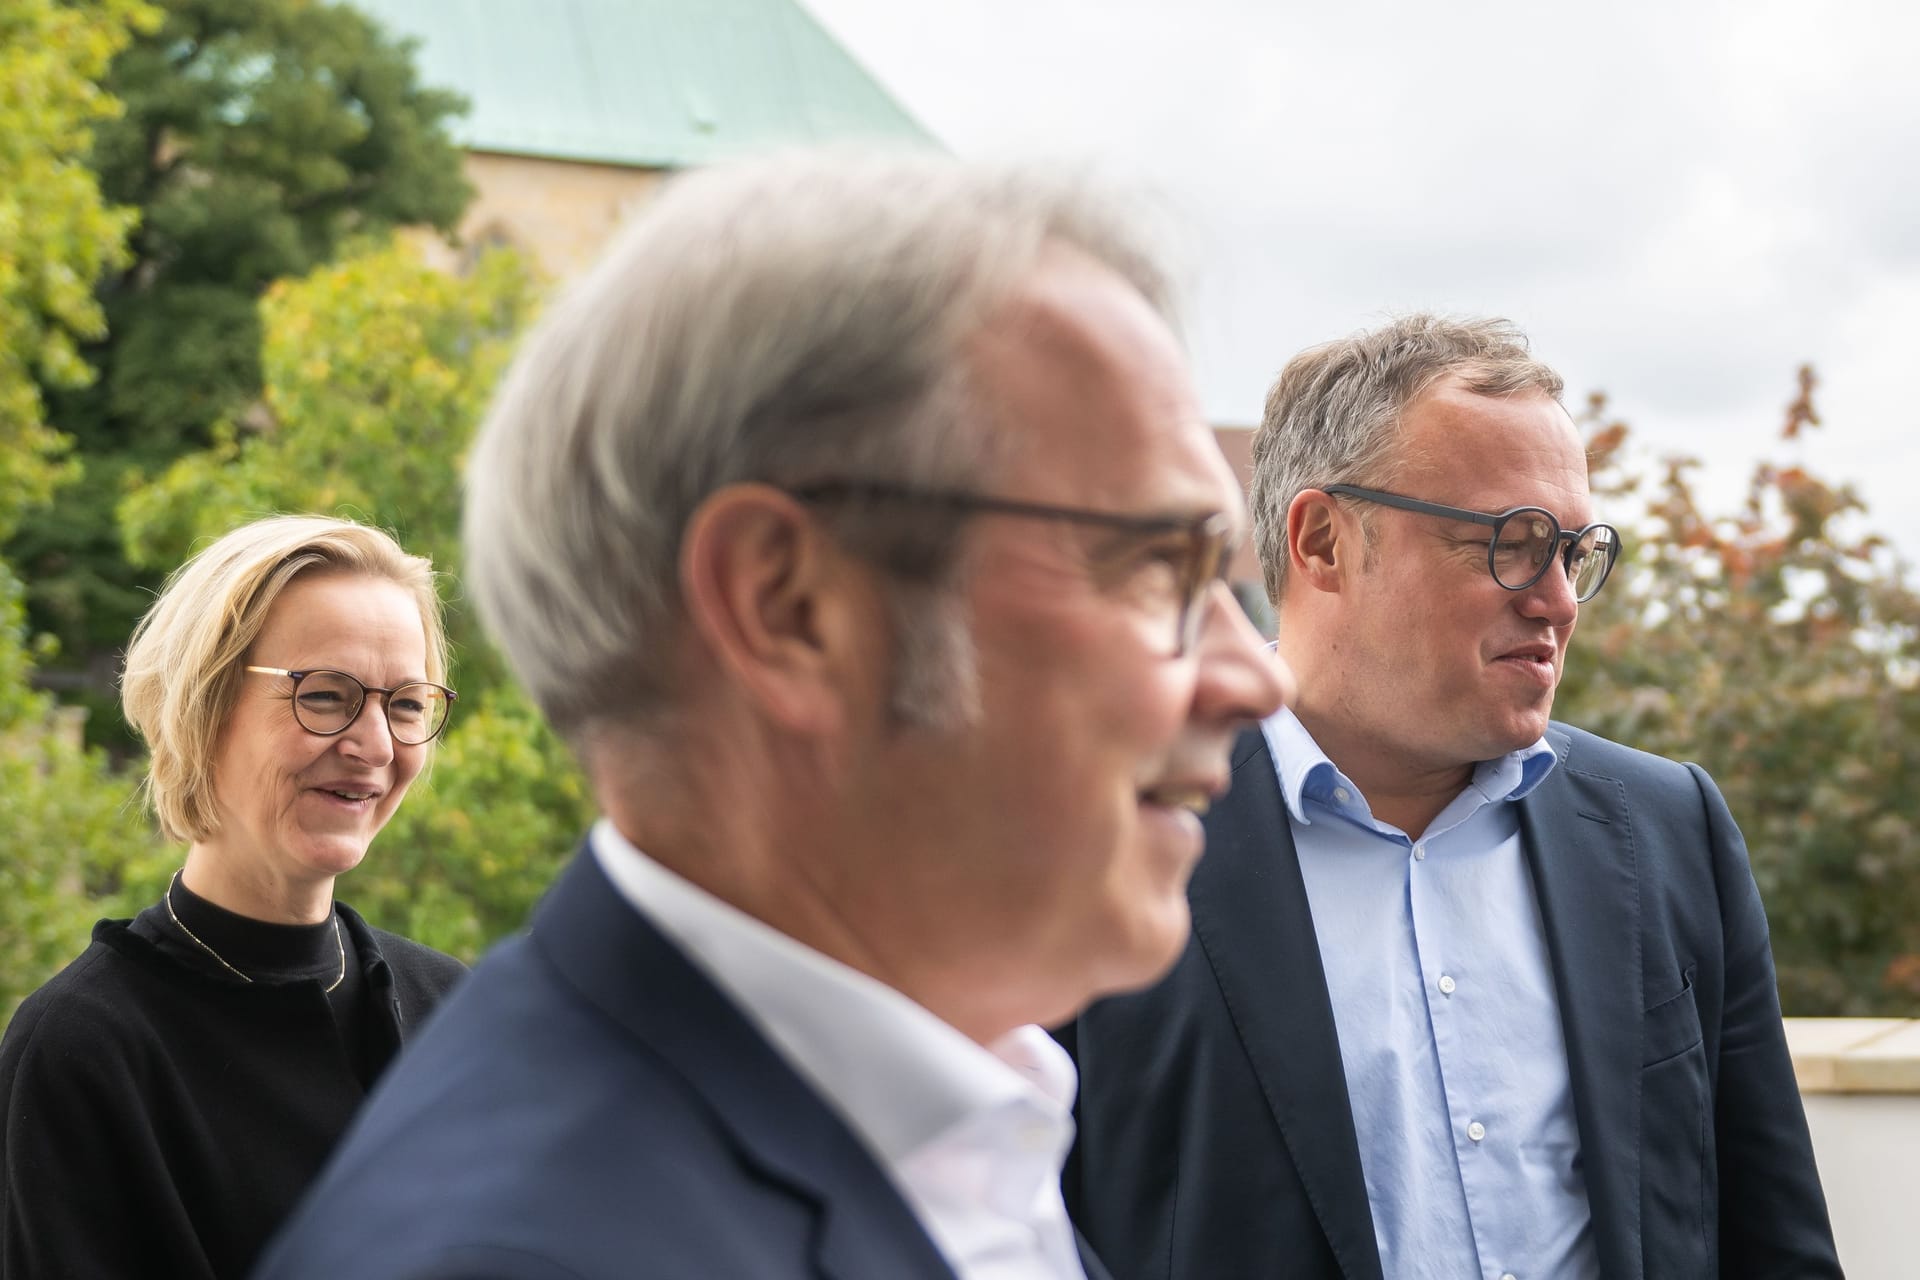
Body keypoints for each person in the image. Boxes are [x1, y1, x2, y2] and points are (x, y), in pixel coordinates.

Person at [254, 149, 1293, 1280]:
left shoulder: (945, 1119)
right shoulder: (527, 1251)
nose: (1258, 680)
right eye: (1157, 567)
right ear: (788, 607)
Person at [1063, 314, 1843, 1280]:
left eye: (1573, 549)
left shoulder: (1666, 829)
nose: (1556, 597)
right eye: (1511, 543)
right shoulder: (1097, 840)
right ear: (1323, 543)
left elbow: (1776, 1244)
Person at [0, 515, 468, 1279]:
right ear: (204, 707)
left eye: (407, 704)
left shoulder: (453, 1012)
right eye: (326, 695)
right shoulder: (83, 1054)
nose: (376, 745)